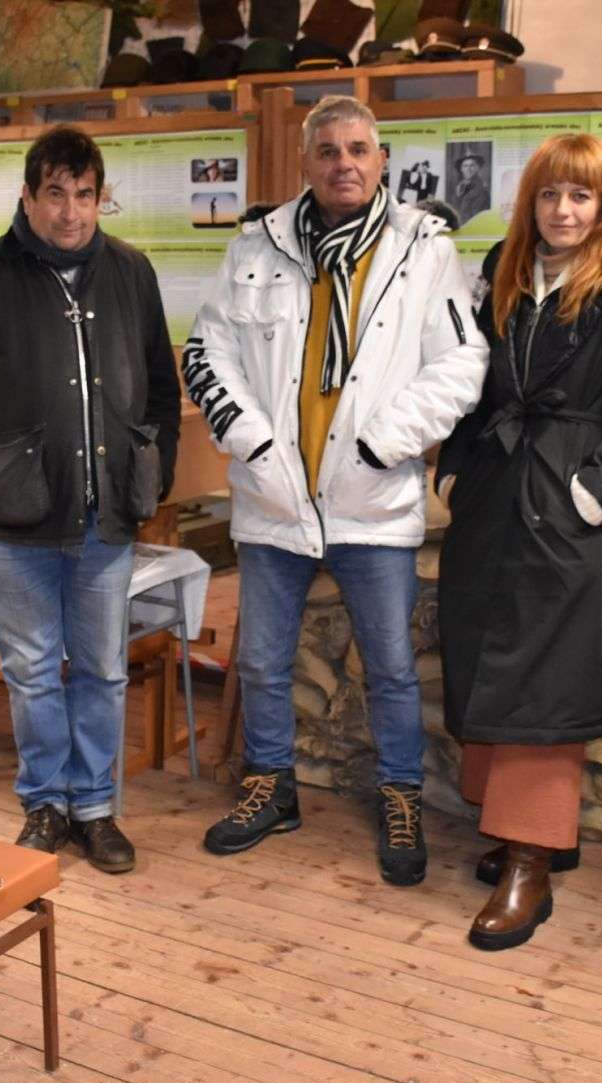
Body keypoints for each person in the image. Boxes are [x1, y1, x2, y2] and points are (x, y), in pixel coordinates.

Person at [184, 95, 487, 886]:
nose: (344, 164)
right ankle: (271, 788)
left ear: (382, 161)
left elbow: (461, 362)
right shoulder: (256, 245)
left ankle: (400, 797)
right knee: (261, 661)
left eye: (358, 150)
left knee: (390, 667)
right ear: (306, 162)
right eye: (328, 151)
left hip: (372, 499)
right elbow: (207, 351)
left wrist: (383, 442)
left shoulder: (423, 248)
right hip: (274, 497)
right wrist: (252, 441)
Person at [0, 126, 182, 873]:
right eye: (55, 194)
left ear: (101, 198)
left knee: (102, 672)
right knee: (32, 674)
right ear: (27, 196)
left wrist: (152, 472)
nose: (70, 212)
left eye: (85, 195)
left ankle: (93, 807)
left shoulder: (131, 272)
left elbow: (161, 390)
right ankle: (46, 804)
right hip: (19, 527)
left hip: (106, 524)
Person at [435, 133, 602, 951]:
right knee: (482, 653)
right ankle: (524, 833)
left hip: (567, 507)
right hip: (493, 499)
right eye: (550, 194)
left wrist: (595, 488)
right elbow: (471, 388)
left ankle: (530, 864)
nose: (564, 210)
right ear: (530, 202)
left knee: (544, 676)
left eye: (580, 195)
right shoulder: (505, 283)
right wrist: (455, 470)